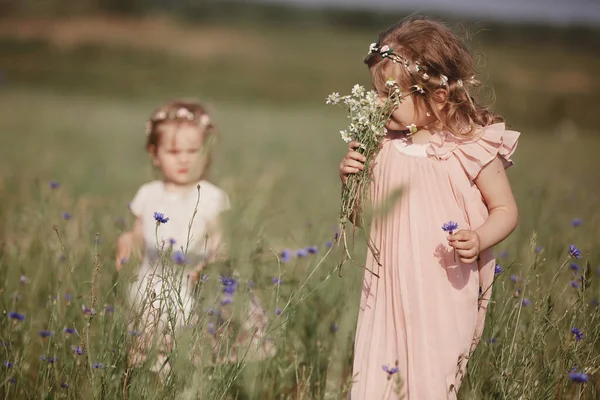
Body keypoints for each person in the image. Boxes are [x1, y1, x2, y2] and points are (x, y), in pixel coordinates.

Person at [338, 17, 519, 399]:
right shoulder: (379, 145)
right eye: (376, 93)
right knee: (379, 382)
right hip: (385, 290)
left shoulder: (469, 145)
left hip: (443, 287)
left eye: (390, 95)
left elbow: (504, 208)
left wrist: (480, 236)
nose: (378, 104)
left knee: (432, 381)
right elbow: (361, 218)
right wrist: (350, 182)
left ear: (437, 94)